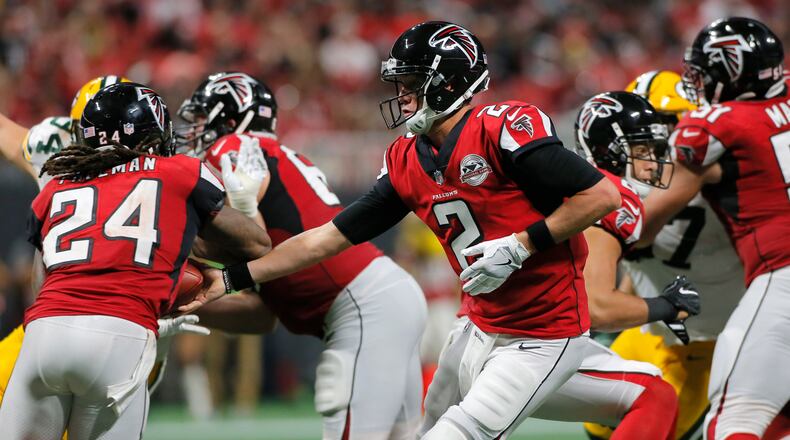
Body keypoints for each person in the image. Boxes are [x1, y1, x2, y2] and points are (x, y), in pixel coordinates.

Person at [182, 22, 623, 439]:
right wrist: (232, 279)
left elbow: (601, 197)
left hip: (545, 330)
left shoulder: (500, 127)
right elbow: (325, 239)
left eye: (412, 83)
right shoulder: (407, 159)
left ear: (449, 81)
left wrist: (522, 245)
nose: (403, 95)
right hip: (478, 324)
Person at [0, 82, 270, 440]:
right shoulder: (179, 170)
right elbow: (257, 244)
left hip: (45, 335)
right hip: (120, 332)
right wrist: (245, 202)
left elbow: (40, 285)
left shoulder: (56, 184)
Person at [175, 71, 427, 440]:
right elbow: (262, 317)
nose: (195, 130)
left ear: (230, 121)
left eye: (201, 119)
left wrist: (188, 249)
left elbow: (255, 239)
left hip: (362, 305)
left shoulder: (233, 147)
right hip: (384, 297)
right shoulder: (266, 155)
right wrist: (185, 303)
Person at [639, 17, 790, 440]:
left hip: (782, 275)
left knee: (733, 423)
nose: (700, 81)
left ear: (731, 70)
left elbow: (652, 219)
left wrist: (617, 228)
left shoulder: (714, 124)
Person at [586, 71, 746, 440]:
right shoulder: (699, 174)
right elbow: (641, 254)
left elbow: (640, 236)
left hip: (708, 336)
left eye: (662, 127)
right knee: (598, 427)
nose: (655, 141)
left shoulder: (626, 189)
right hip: (659, 325)